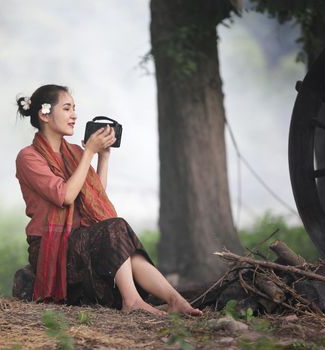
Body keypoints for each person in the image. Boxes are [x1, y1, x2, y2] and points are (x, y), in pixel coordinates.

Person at [15, 84, 202, 316]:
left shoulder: (73, 152)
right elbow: (65, 196)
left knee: (119, 235)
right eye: (67, 108)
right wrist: (89, 153)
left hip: (80, 240)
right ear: (44, 114)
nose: (74, 115)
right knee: (115, 227)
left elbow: (94, 196)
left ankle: (175, 300)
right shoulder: (28, 158)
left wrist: (103, 156)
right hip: (52, 248)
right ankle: (132, 301)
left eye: (74, 108)